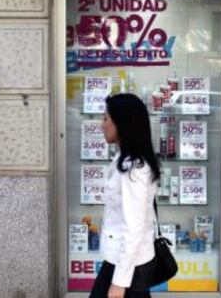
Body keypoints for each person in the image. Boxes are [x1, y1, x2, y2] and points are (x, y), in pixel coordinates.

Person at [90, 93, 160, 298]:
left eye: (106, 118)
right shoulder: (124, 160)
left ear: (122, 123)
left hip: (129, 266)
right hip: (122, 260)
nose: (101, 124)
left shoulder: (134, 169)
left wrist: (119, 283)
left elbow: (134, 228)